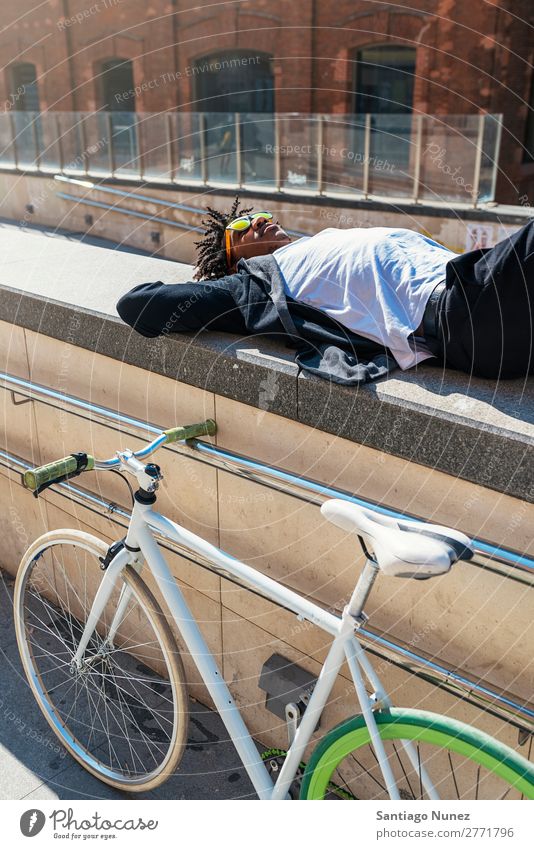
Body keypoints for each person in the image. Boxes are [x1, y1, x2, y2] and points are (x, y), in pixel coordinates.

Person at [116, 196, 534, 383]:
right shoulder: (255, 283)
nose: (257, 221)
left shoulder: (315, 246)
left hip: (475, 293)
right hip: (464, 311)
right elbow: (138, 305)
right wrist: (216, 283)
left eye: (258, 215)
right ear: (234, 263)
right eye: (240, 229)